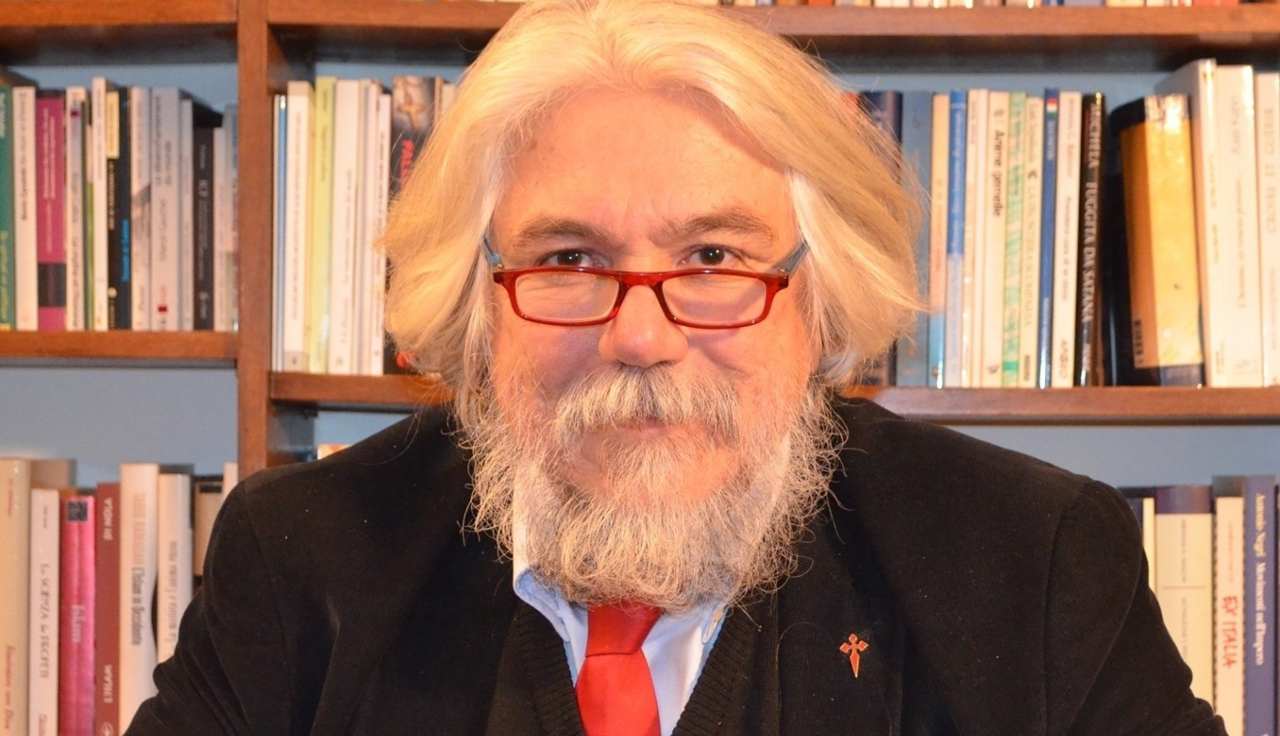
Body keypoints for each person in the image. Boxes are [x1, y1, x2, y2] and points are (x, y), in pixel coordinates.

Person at [129, 1, 1225, 733]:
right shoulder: (300, 556)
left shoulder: (1028, 560)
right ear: (477, 305)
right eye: (569, 260)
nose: (641, 336)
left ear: (817, 298)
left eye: (712, 258)